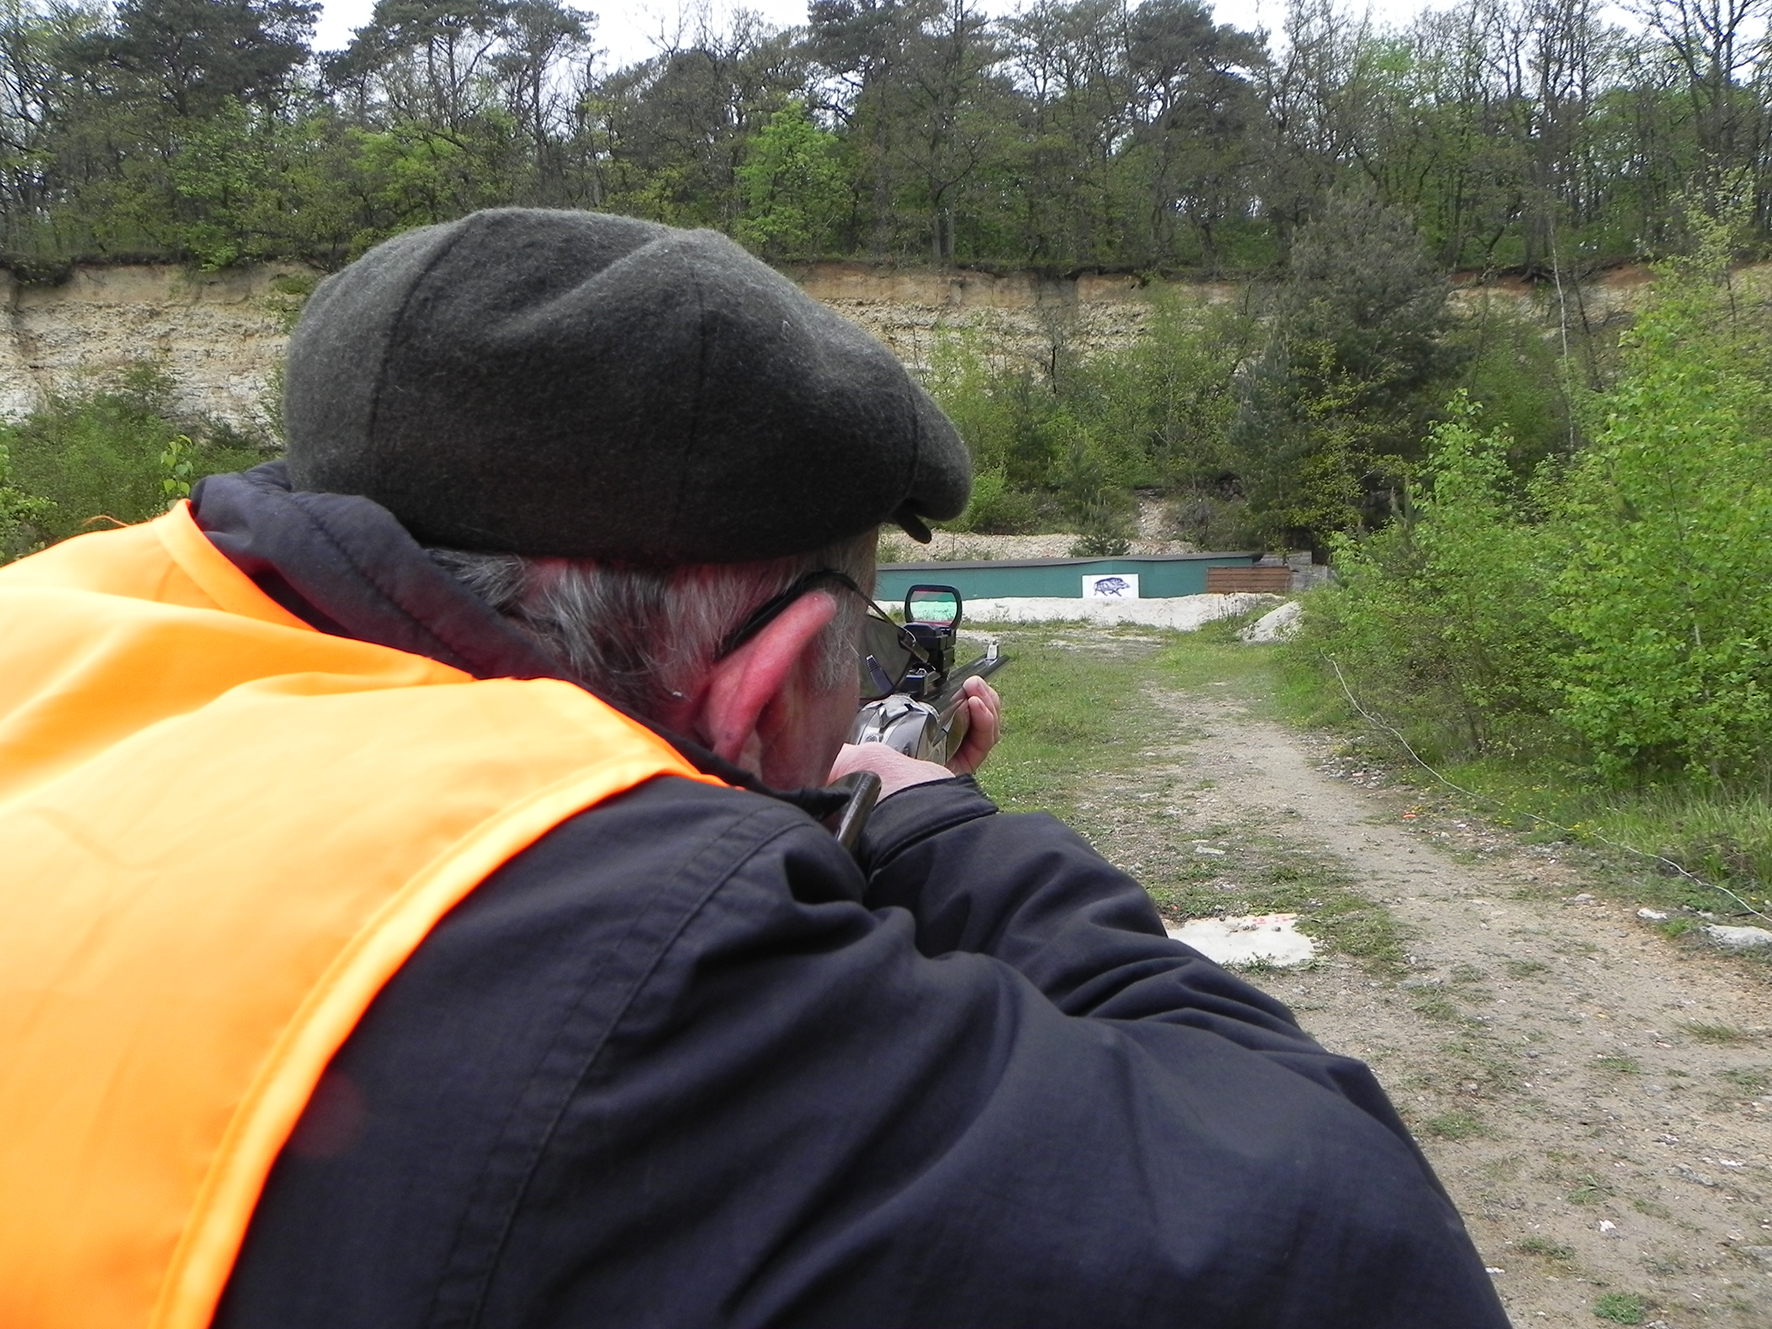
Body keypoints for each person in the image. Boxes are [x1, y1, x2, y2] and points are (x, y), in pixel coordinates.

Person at [0, 209, 1509, 1329]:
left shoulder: (68, 631)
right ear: (775, 674)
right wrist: (928, 823)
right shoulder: (633, 957)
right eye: (851, 642)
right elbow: (1367, 1248)